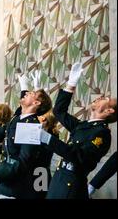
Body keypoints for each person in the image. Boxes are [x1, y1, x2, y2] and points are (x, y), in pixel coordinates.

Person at [40, 63, 116, 199]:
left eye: (105, 98)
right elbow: (59, 111)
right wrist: (71, 85)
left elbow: (78, 156)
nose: (99, 97)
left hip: (71, 185)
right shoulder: (82, 126)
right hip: (59, 179)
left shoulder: (102, 134)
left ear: (109, 110)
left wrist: (48, 139)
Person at [0, 71, 53, 198]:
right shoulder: (18, 118)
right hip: (9, 175)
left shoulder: (30, 125)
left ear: (36, 103)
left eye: (31, 93)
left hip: (21, 182)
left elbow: (23, 161)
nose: (26, 93)